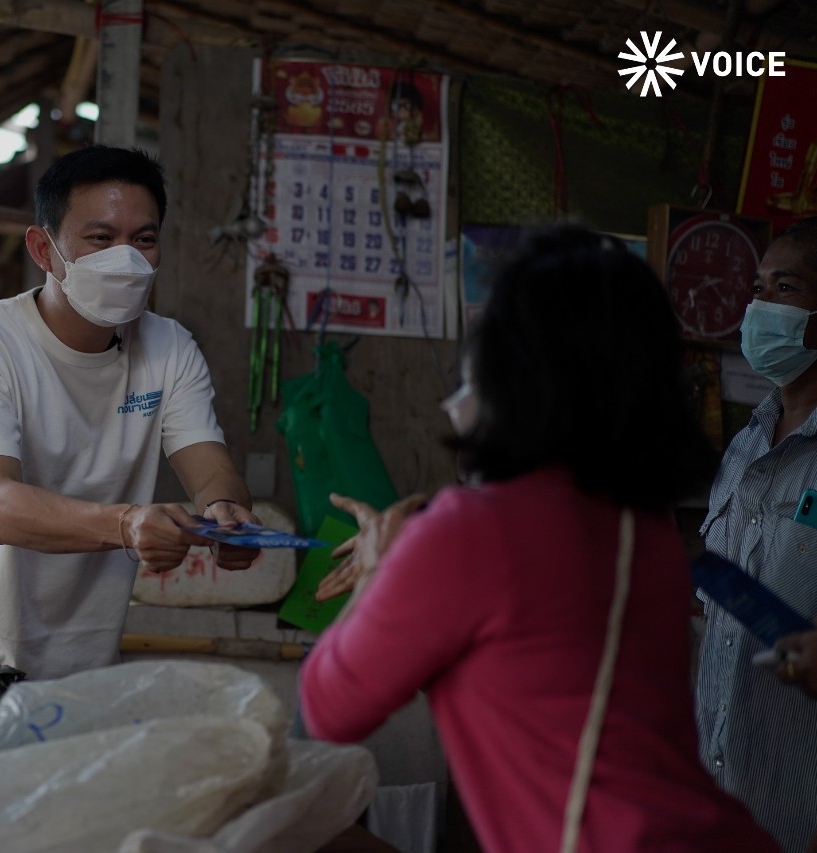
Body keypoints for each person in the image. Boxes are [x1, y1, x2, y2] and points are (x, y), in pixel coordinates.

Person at [298, 226, 778, 851]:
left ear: (509, 367)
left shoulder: (467, 531)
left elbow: (328, 711)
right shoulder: (645, 529)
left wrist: (375, 572)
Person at [0, 145, 259, 680]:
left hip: (90, 661)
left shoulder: (170, 348)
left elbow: (211, 469)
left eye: (143, 240)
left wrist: (226, 514)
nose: (124, 258)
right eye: (101, 239)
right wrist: (129, 525)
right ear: (43, 248)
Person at [698, 216, 817, 852]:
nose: (760, 305)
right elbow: (715, 620)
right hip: (714, 798)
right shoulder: (742, 449)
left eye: (786, 288)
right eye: (758, 287)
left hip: (797, 812)